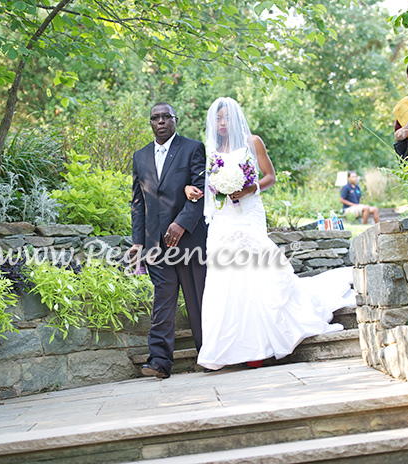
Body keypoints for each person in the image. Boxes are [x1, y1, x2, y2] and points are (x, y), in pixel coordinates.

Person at [184, 97, 355, 371]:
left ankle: (264, 345)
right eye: (218, 118)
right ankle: (233, 346)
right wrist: (197, 190)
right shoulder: (211, 150)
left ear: (237, 118)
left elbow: (270, 176)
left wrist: (249, 188)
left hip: (248, 213)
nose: (223, 123)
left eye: (227, 117)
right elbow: (207, 184)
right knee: (227, 277)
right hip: (224, 217)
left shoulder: (253, 142)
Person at [129, 102, 208, 379]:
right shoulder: (140, 157)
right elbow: (138, 204)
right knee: (162, 302)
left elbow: (200, 192)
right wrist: (137, 242)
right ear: (150, 122)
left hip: (189, 242)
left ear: (176, 119)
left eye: (166, 116)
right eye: (155, 117)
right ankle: (159, 362)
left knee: (196, 300)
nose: (161, 121)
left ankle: (208, 356)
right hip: (154, 245)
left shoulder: (192, 148)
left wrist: (181, 224)